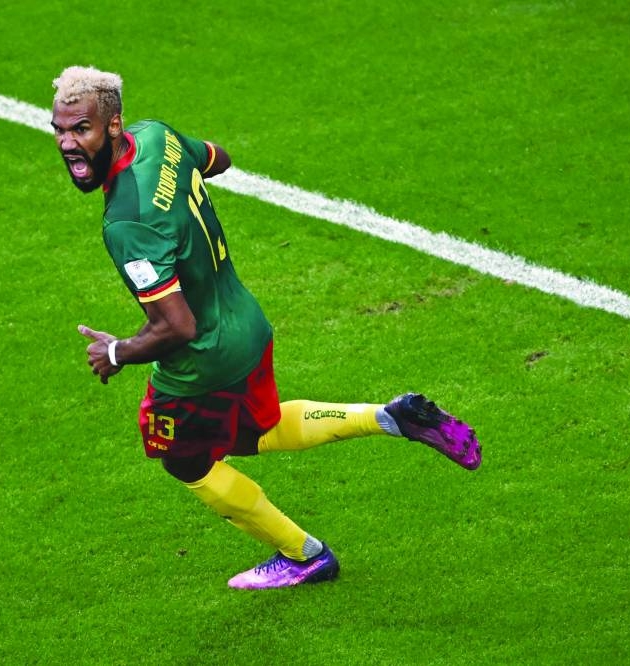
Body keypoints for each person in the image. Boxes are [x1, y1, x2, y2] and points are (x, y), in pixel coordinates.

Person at [51, 65, 481, 590]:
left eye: (81, 129)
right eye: (60, 129)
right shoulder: (157, 135)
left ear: (113, 127)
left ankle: (304, 555)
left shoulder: (126, 222)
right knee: (260, 428)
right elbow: (218, 159)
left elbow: (177, 326)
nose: (68, 143)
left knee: (185, 461)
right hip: (246, 324)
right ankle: (389, 417)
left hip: (202, 357)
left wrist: (116, 352)